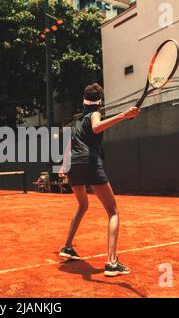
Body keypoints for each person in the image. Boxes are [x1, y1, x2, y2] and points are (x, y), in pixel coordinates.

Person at [58, 83, 140, 277]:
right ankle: (112, 263)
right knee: (113, 211)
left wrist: (63, 165)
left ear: (83, 101)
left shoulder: (77, 121)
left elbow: (71, 143)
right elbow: (96, 128)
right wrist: (124, 115)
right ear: (100, 102)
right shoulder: (94, 114)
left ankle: (67, 247)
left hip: (73, 165)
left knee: (82, 204)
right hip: (88, 162)